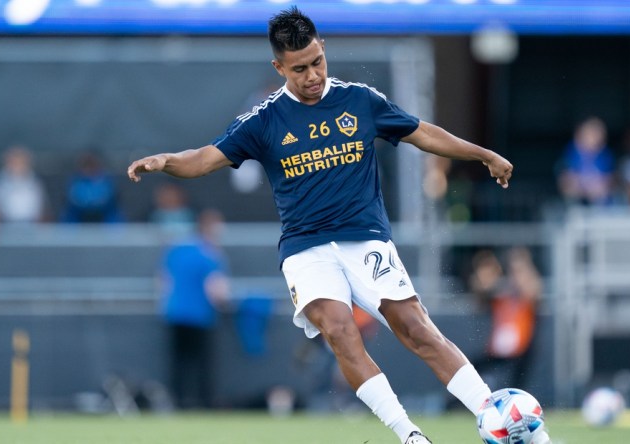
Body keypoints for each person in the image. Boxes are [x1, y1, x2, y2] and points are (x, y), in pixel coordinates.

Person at [128, 7, 550, 443]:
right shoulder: (264, 121)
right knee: (339, 330)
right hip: (305, 249)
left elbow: (422, 132)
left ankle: (494, 414)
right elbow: (205, 159)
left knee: (415, 327)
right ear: (279, 68)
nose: (311, 75)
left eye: (317, 63)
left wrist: (483, 154)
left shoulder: (360, 100)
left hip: (364, 240)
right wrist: (167, 162)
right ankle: (409, 435)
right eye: (299, 69)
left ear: (323, 49)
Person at [158, 209, 229, 410]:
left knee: (178, 363)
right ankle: (204, 403)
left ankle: (177, 402)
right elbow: (217, 290)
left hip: (174, 313)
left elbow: (163, 282)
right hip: (200, 316)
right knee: (203, 364)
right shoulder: (210, 254)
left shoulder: (176, 250)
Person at [468, 248, 541, 391]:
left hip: (522, 349)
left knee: (516, 384)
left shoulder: (527, 290)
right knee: (474, 370)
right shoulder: (501, 293)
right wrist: (487, 273)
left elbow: (531, 292)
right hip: (498, 349)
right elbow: (479, 294)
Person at [0, 145, 49, 241]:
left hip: (30, 228)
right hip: (4, 228)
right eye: (14, 161)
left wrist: (42, 235)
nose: (17, 165)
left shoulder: (34, 182)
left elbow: (42, 210)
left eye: (21, 162)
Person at [557, 116, 615, 206]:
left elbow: (610, 181)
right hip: (576, 202)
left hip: (601, 204)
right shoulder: (570, 153)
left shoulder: (605, 155)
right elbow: (565, 181)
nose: (596, 138)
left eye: (599, 135)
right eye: (592, 134)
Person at [62, 151, 123, 223]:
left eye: (92, 165)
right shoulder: (74, 182)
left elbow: (107, 200)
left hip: (106, 221)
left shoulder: (108, 181)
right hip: (78, 221)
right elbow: (75, 200)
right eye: (86, 166)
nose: (89, 169)